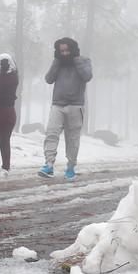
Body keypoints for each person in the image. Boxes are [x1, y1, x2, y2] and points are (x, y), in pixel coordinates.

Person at [39, 37, 93, 180]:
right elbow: (48, 79)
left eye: (67, 50)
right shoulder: (58, 63)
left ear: (73, 49)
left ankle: (70, 167)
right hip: (58, 104)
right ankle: (49, 165)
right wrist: (56, 61)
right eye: (61, 51)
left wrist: (76, 59)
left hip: (76, 106)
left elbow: (87, 76)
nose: (64, 53)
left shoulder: (84, 61)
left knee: (72, 139)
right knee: (51, 133)